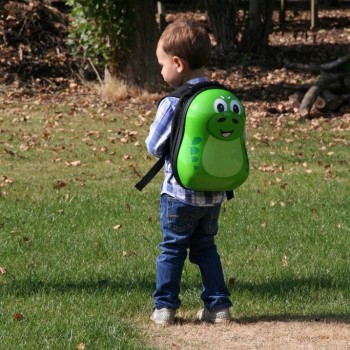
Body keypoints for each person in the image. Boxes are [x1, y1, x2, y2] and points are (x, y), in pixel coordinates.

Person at [146, 19, 233, 325]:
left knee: (171, 249)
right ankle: (218, 306)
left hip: (179, 194)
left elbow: (154, 146)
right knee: (206, 248)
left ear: (177, 63)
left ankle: (165, 308)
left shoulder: (174, 102)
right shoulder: (220, 99)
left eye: (161, 64)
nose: (161, 71)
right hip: (214, 195)